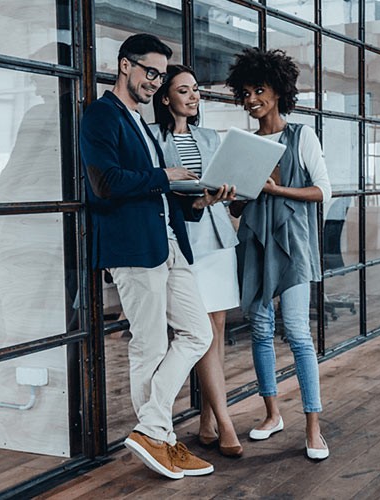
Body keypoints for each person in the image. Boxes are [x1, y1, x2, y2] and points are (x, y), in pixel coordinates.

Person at [79, 33, 235, 480]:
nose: (156, 81)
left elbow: (158, 192)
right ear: (124, 65)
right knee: (150, 345)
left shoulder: (140, 123)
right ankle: (161, 439)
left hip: (169, 240)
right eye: (151, 72)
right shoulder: (100, 116)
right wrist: (163, 174)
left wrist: (200, 201)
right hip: (133, 247)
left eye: (161, 75)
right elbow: (105, 184)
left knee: (196, 332)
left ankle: (152, 429)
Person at [225, 47, 332, 461]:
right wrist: (233, 196)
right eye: (246, 92)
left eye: (260, 90)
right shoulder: (246, 145)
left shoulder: (302, 136)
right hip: (255, 244)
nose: (252, 99)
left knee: (299, 335)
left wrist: (275, 189)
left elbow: (323, 191)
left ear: (279, 91)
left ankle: (313, 426)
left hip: (294, 245)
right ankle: (272, 414)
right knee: (259, 331)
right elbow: (238, 207)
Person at [151, 65, 243, 458]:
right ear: (165, 98)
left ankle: (207, 418)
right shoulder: (154, 137)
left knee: (217, 331)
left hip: (219, 236)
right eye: (183, 90)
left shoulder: (208, 136)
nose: (193, 97)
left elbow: (223, 180)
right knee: (200, 331)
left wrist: (228, 191)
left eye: (195, 90)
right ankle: (225, 422)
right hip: (185, 239)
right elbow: (160, 189)